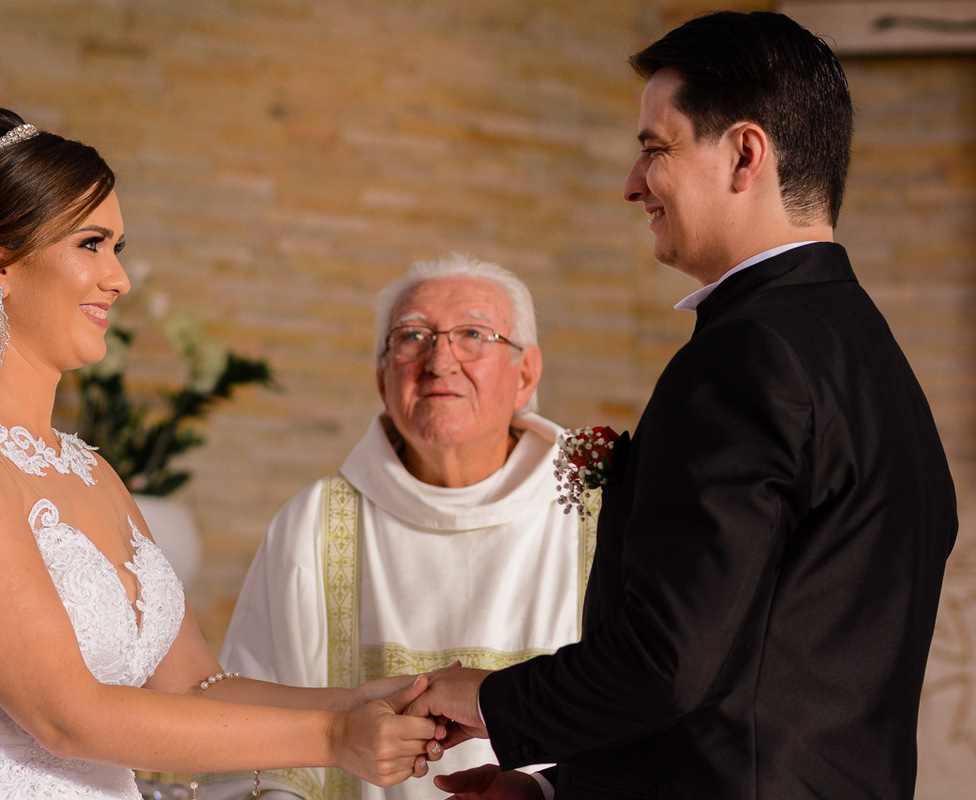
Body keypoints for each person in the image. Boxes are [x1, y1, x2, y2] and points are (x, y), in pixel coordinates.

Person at [0, 106, 444, 799]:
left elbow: (194, 685)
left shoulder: (90, 468)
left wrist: (365, 701)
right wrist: (334, 742)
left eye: (118, 248)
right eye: (91, 244)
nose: (119, 279)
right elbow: (63, 717)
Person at [406, 11, 958, 799]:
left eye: (655, 148)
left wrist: (491, 699)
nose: (632, 184)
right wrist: (556, 791)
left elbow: (669, 664)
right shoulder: (875, 362)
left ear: (743, 153)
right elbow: (773, 684)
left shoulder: (748, 354)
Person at [213, 253, 596, 800]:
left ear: (526, 374)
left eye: (472, 334)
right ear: (380, 378)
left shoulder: (599, 514)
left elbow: (659, 708)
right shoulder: (313, 526)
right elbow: (249, 740)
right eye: (412, 336)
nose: (440, 361)